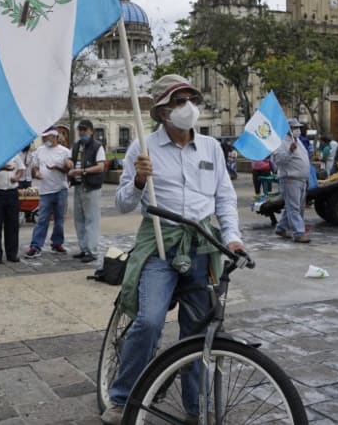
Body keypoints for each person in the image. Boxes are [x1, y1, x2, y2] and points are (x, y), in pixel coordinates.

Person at [103, 74, 244, 424]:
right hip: (160, 244)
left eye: (191, 99)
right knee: (149, 321)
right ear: (163, 111)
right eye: (179, 101)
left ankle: (196, 407)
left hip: (202, 245)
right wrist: (139, 180)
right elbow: (122, 204)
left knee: (198, 332)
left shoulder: (211, 147)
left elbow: (225, 197)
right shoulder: (142, 148)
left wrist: (232, 237)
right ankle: (122, 398)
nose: (188, 107)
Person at [25, 128, 73, 258]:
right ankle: (35, 245)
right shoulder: (39, 151)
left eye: (47, 137)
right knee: (42, 219)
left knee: (59, 219)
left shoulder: (64, 151)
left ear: (55, 137)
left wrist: (59, 167)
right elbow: (35, 167)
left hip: (60, 189)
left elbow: (68, 169)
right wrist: (37, 173)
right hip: (45, 190)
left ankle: (57, 243)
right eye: (44, 137)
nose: (45, 140)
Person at [67, 119, 106, 263]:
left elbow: (100, 167)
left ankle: (92, 250)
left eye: (84, 130)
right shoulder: (77, 145)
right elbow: (71, 160)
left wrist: (82, 171)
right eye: (80, 130)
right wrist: (69, 163)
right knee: (79, 219)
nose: (82, 132)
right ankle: (84, 248)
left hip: (91, 186)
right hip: (78, 185)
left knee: (91, 219)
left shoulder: (97, 146)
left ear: (91, 131)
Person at [272, 118, 311, 243]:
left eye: (298, 127)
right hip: (290, 179)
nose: (297, 130)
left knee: (295, 207)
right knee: (294, 208)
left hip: (301, 179)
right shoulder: (281, 142)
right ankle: (298, 233)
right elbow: (278, 161)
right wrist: (290, 151)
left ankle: (281, 228)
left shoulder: (297, 141)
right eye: (294, 128)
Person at [0, 152, 24, 264]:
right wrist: (1, 168)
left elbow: (21, 169)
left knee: (12, 224)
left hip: (11, 192)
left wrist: (17, 177)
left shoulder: (14, 153)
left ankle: (12, 254)